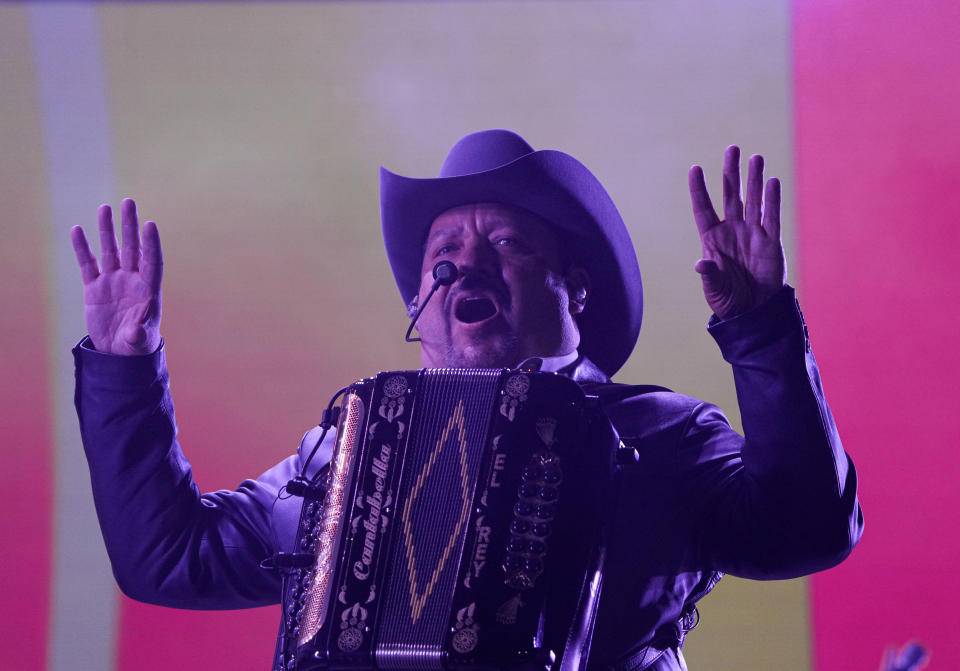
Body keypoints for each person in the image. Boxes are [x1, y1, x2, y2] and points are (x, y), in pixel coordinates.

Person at [71, 129, 863, 671]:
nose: (467, 264)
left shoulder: (662, 434)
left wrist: (760, 326)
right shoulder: (346, 458)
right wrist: (123, 363)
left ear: (574, 288)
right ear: (424, 297)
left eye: (508, 243)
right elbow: (171, 558)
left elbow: (808, 529)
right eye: (444, 253)